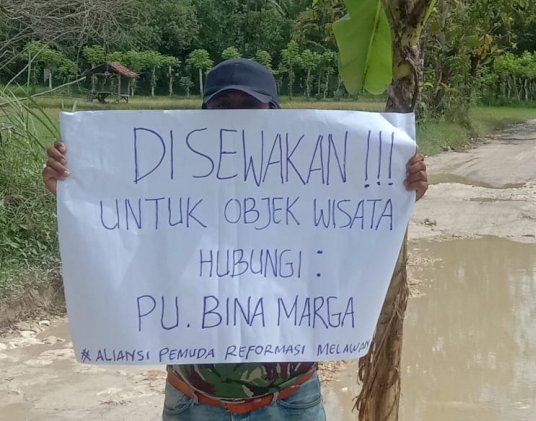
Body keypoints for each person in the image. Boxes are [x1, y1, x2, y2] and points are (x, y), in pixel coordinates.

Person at [42, 58, 429, 420]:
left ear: (273, 113)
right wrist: (72, 189)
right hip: (193, 403)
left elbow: (355, 237)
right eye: (223, 103)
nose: (235, 114)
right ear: (205, 112)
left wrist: (400, 190)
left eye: (249, 104)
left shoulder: (308, 185)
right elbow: (123, 230)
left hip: (290, 401)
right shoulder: (172, 183)